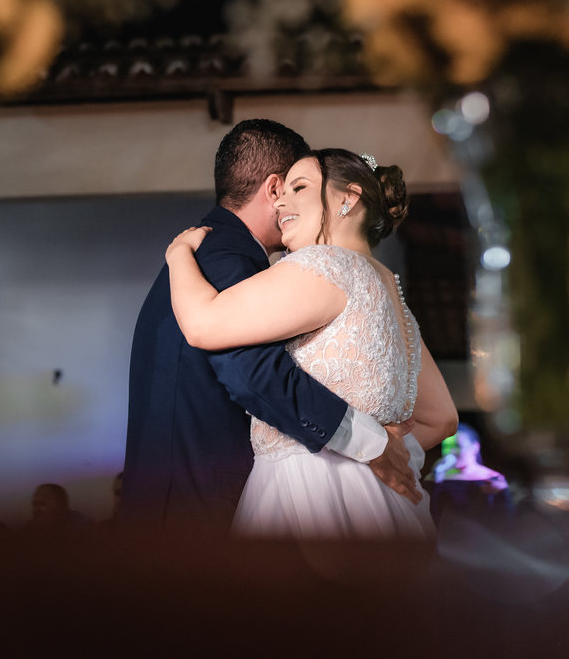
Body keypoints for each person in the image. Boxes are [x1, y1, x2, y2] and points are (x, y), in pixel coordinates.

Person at [121, 120, 421, 536]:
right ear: (275, 189)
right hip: (194, 507)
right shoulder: (227, 259)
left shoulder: (206, 253)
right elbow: (252, 373)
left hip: (186, 501)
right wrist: (370, 443)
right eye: (294, 187)